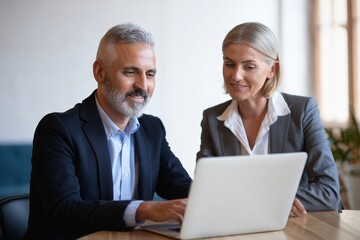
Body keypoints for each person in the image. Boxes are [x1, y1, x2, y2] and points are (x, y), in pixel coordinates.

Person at [23, 23, 192, 240]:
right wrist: (143, 210)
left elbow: (180, 186)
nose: (143, 84)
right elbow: (64, 211)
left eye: (150, 74)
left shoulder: (152, 129)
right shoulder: (58, 129)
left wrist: (214, 197)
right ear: (100, 72)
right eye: (131, 72)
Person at [196, 22, 341, 217]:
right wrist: (270, 200)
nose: (236, 75)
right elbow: (206, 191)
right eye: (229, 64)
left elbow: (329, 193)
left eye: (249, 66)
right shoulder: (213, 119)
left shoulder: (303, 111)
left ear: (272, 70)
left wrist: (255, 200)